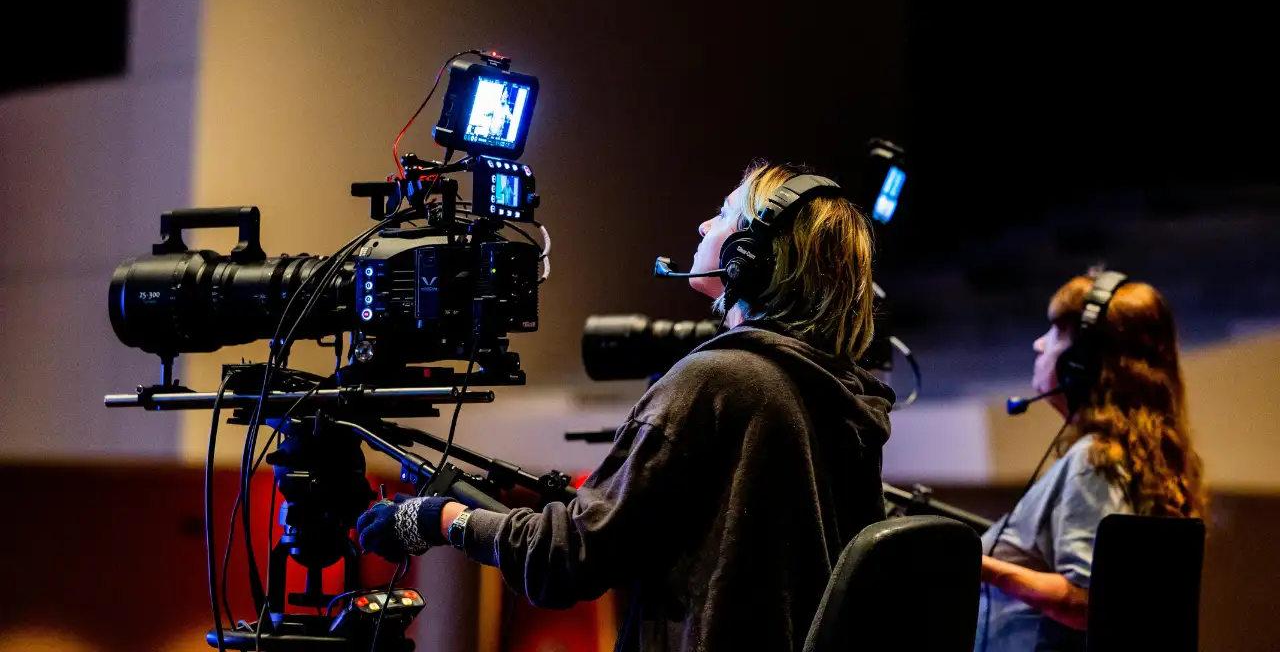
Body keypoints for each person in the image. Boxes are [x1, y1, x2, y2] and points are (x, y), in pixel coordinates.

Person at [357, 161, 895, 651]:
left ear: (752, 256)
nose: (706, 227)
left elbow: (567, 561)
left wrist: (435, 518)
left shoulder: (719, 380)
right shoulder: (842, 395)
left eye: (726, 213)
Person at [976, 274, 1209, 651]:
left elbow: (1086, 601)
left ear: (1081, 364)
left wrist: (973, 565)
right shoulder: (1128, 458)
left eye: (1055, 332)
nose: (1039, 343)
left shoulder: (1095, 460)